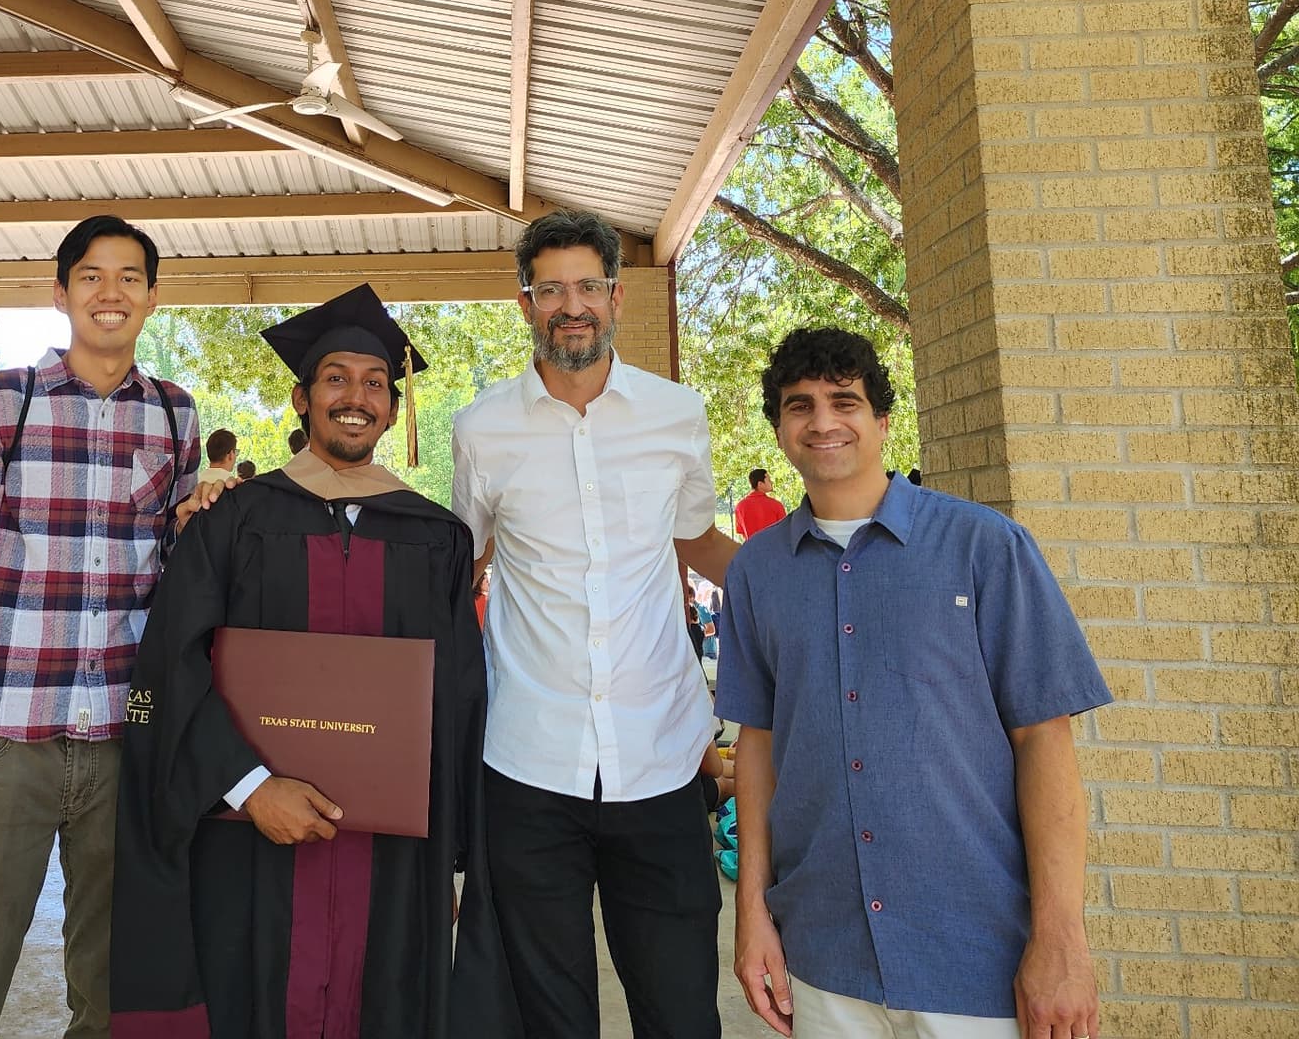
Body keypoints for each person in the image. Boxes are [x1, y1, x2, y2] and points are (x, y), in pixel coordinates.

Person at [112, 283, 506, 1038]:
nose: (355, 398)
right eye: (335, 380)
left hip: (394, 858)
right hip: (250, 838)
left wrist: (450, 851)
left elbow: (459, 697)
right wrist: (250, 786)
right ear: (300, 399)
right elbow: (172, 664)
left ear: (392, 407)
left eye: (374, 384)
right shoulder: (233, 524)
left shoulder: (436, 537)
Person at [718, 328, 1110, 1039]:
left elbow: (1044, 742)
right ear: (779, 429)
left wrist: (1061, 940)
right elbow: (758, 744)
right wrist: (752, 916)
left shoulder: (985, 546)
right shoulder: (756, 572)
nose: (824, 421)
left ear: (883, 423)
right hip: (823, 952)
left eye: (846, 401)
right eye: (799, 405)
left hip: (976, 954)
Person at [0, 214, 199, 1039]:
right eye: (93, 276)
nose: (112, 293)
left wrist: (205, 517)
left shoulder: (175, 416)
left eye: (130, 277)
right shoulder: (0, 402)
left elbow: (171, 579)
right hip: (5, 740)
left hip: (122, 734)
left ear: (151, 295)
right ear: (62, 291)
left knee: (113, 977)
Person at [450, 209, 737, 1039]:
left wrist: (824, 580)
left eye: (587, 287)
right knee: (548, 1018)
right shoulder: (481, 428)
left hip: (662, 757)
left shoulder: (677, 414)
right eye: (551, 290)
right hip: (529, 764)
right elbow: (458, 563)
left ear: (615, 297)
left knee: (682, 1009)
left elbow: (697, 540)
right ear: (524, 303)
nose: (570, 306)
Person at [735, 468, 788, 540]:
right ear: (760, 484)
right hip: (774, 549)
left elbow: (742, 533)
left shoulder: (739, 507)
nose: (771, 482)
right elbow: (785, 531)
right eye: (769, 480)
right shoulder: (776, 505)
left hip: (752, 549)